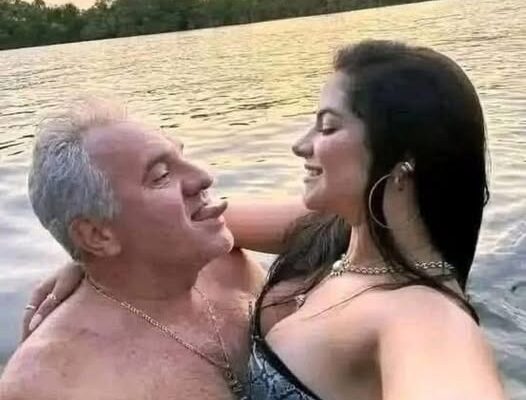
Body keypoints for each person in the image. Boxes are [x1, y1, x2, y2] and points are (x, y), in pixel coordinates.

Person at [16, 40, 506, 400]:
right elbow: (189, 221)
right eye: (162, 174)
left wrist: (106, 240)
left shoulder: (422, 315)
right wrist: (94, 260)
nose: (300, 144)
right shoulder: (347, 231)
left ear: (403, 162)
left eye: (328, 126)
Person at [0, 99, 280, 400]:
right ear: (97, 235)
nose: (204, 176)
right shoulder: (49, 381)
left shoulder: (231, 268)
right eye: (161, 176)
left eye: (183, 156)